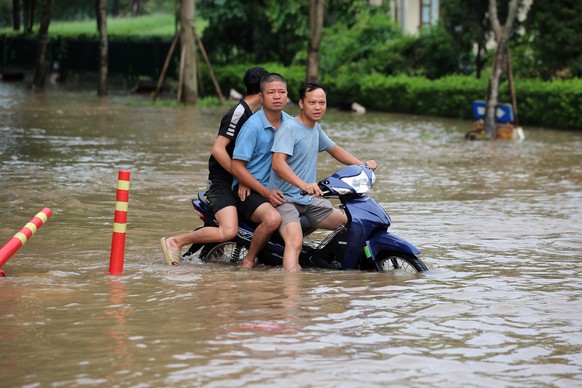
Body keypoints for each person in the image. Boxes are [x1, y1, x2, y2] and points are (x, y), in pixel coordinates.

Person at [160, 67, 269, 265]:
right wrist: (241, 175)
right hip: (223, 184)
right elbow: (218, 149)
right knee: (229, 230)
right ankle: (176, 242)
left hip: (241, 181)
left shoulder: (257, 117)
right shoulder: (238, 113)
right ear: (263, 91)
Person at [270, 82, 378, 272]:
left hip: (307, 200)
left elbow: (335, 150)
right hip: (285, 200)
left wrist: (362, 165)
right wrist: (303, 184)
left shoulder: (315, 128)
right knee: (294, 243)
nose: (318, 107)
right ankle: (289, 295)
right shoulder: (289, 128)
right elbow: (278, 163)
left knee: (349, 224)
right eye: (312, 102)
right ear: (302, 103)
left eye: (322, 102)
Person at [230, 73, 293, 268]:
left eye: (281, 92)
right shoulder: (252, 127)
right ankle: (248, 261)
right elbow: (236, 166)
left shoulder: (291, 123)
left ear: (287, 95)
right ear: (261, 96)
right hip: (250, 190)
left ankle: (276, 251)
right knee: (273, 219)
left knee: (311, 212)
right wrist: (260, 189)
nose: (277, 96)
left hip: (278, 188)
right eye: (271, 92)